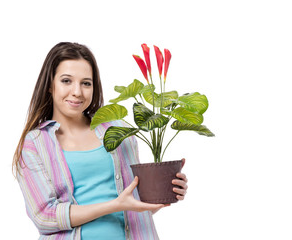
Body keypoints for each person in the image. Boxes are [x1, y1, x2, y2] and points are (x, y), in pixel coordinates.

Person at [13, 42, 188, 240]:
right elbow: (44, 217)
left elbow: (133, 205)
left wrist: (165, 190)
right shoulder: (34, 144)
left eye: (86, 83)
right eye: (66, 81)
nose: (77, 92)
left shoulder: (118, 130)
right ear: (50, 86)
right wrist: (114, 205)